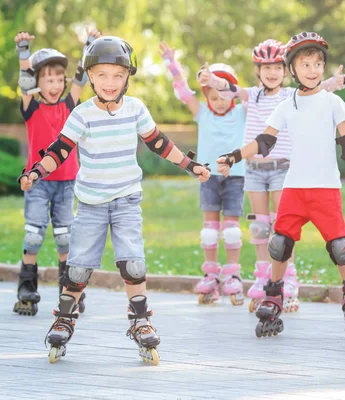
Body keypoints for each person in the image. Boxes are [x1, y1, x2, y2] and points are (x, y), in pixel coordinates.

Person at [18, 36, 210, 365]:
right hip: (91, 204)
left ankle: (140, 320)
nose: (110, 82)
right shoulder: (81, 114)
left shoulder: (135, 109)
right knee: (77, 268)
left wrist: (191, 165)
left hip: (126, 201)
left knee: (133, 263)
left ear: (127, 78)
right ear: (90, 76)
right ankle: (64, 318)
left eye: (118, 75)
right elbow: (60, 150)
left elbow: (159, 143)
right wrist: (36, 172)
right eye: (102, 75)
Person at [217, 32, 345, 340]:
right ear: (293, 69)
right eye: (305, 64)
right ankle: (273, 296)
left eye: (318, 63)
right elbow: (265, 141)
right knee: (279, 243)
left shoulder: (332, 101)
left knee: (340, 247)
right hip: (294, 188)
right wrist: (235, 156)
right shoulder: (287, 105)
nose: (313, 70)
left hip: (326, 188)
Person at [199, 38, 345, 313]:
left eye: (277, 67)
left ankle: (288, 280)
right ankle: (262, 276)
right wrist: (211, 79)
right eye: (266, 67)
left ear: (286, 69)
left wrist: (335, 83)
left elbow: (318, 88)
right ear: (258, 70)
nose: (272, 73)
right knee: (259, 227)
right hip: (254, 170)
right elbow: (228, 89)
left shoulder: (288, 96)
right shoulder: (252, 95)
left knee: (282, 228)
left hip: (282, 169)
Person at [12, 28, 100, 316]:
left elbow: (80, 77)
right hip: (37, 182)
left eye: (58, 79)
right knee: (34, 234)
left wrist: (89, 45)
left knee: (65, 237)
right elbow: (24, 81)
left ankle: (69, 290)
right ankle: (27, 287)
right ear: (38, 82)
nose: (55, 84)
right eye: (48, 79)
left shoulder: (69, 107)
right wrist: (24, 52)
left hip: (66, 182)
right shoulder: (31, 107)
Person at [159, 42, 246, 306]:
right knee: (209, 231)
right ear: (207, 96)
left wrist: (223, 84)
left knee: (231, 230)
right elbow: (184, 92)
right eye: (214, 97)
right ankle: (210, 274)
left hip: (236, 176)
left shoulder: (243, 112)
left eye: (223, 95)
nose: (219, 102)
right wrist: (172, 65)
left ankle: (232, 276)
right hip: (209, 177)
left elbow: (254, 96)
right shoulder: (203, 112)